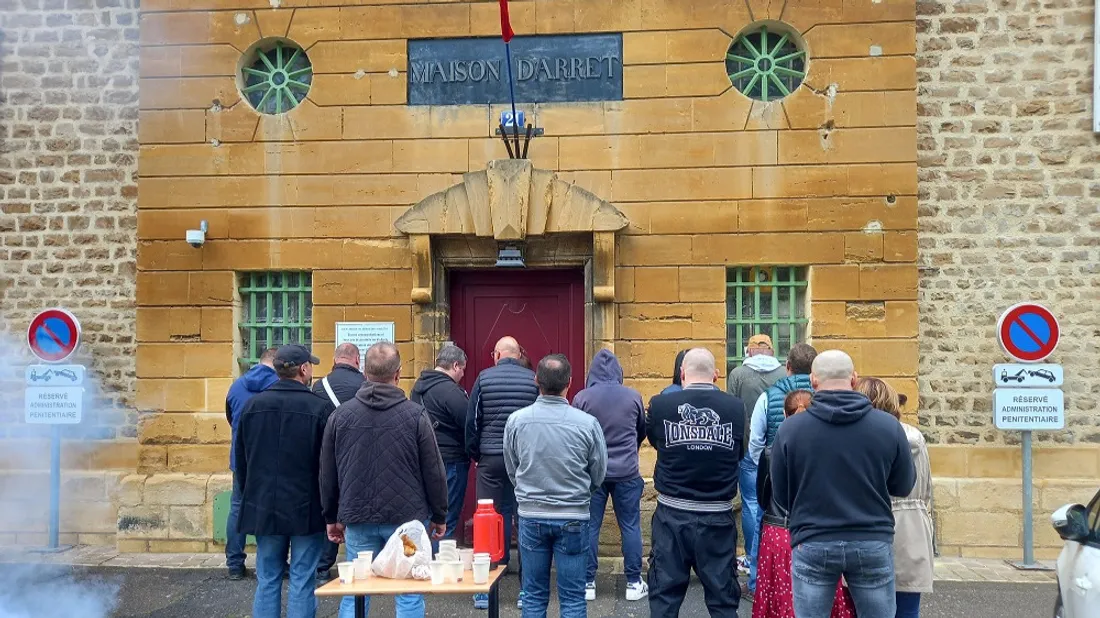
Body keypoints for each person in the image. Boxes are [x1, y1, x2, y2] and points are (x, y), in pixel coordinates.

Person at [770, 350, 916, 618]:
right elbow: (903, 485)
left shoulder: (790, 430)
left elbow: (780, 495)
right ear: (854, 378)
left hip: (813, 538)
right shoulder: (888, 427)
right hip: (871, 537)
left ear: (813, 380)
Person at [321, 342, 448, 618]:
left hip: (357, 514)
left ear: (364, 373)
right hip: (406, 517)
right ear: (398, 374)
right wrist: (439, 514)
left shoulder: (340, 416)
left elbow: (328, 473)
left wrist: (331, 516)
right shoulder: (416, 415)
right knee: (409, 589)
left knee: (356, 589)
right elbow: (434, 471)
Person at [234, 345, 335, 618]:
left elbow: (241, 460)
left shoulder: (252, 406)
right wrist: (331, 509)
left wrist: (248, 495)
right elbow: (327, 467)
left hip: (264, 502)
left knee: (268, 577)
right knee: (303, 578)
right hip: (306, 505)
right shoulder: (319, 408)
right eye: (310, 366)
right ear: (303, 369)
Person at [504, 354, 608, 618]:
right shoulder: (587, 424)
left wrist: (526, 490)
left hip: (531, 514)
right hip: (573, 514)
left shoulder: (516, 421)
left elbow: (512, 467)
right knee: (573, 598)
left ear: (536, 380)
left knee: (533, 594)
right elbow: (598, 471)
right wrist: (583, 493)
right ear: (570, 383)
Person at [646, 348, 745, 618]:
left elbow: (657, 442)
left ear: (681, 373)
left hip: (672, 516)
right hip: (717, 515)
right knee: (723, 599)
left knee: (664, 598)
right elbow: (740, 452)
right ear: (715, 374)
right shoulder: (736, 407)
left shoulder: (660, 404)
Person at [753, 390, 855, 618]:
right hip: (820, 531)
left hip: (779, 532)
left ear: (784, 415)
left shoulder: (770, 452)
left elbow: (763, 497)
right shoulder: (834, 450)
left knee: (779, 602)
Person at [465, 336, 539, 609]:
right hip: (523, 460)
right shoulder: (532, 378)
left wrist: (476, 454)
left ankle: (485, 590)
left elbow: (472, 421)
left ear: (496, 355)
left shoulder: (484, 378)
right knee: (525, 519)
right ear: (519, 354)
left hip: (491, 457)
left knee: (488, 520)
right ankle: (526, 592)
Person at [571, 349, 648, 602]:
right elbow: (641, 430)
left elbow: (576, 434)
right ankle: (634, 582)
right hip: (626, 471)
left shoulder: (582, 397)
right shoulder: (633, 396)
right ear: (619, 372)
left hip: (592, 473)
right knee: (630, 526)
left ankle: (588, 582)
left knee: (590, 526)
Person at [856, 378, 933, 618]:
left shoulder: (861, 439)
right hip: (914, 525)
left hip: (872, 523)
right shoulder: (916, 436)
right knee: (908, 607)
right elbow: (927, 486)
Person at [745, 342, 818, 595]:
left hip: (776, 473)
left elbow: (756, 438)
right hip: (815, 476)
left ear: (787, 367)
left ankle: (756, 582)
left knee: (761, 520)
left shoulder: (768, 395)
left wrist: (761, 466)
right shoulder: (821, 398)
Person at [726, 334, 786, 591]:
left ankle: (753, 559)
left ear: (748, 351)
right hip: (781, 449)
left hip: (750, 449)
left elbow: (731, 408)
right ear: (771, 350)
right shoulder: (784, 373)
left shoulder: (738, 374)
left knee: (752, 503)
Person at [311, 343, 366, 581]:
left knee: (329, 506)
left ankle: (323, 565)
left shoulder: (318, 386)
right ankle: (363, 561)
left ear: (334, 360)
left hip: (327, 456)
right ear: (357, 360)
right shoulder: (364, 386)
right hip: (359, 457)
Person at [224, 346, 279, 580]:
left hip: (241, 456)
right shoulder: (278, 386)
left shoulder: (237, 385)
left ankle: (235, 563)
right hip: (271, 458)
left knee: (237, 507)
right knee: (272, 509)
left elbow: (229, 417)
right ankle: (271, 563)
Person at [410, 345, 470, 543]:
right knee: (445, 520)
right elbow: (468, 424)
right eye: (462, 369)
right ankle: (438, 566)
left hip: (423, 459)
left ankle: (424, 563)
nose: (462, 374)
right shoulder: (451, 391)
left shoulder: (417, 388)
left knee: (428, 517)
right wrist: (475, 452)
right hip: (450, 461)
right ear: (455, 365)